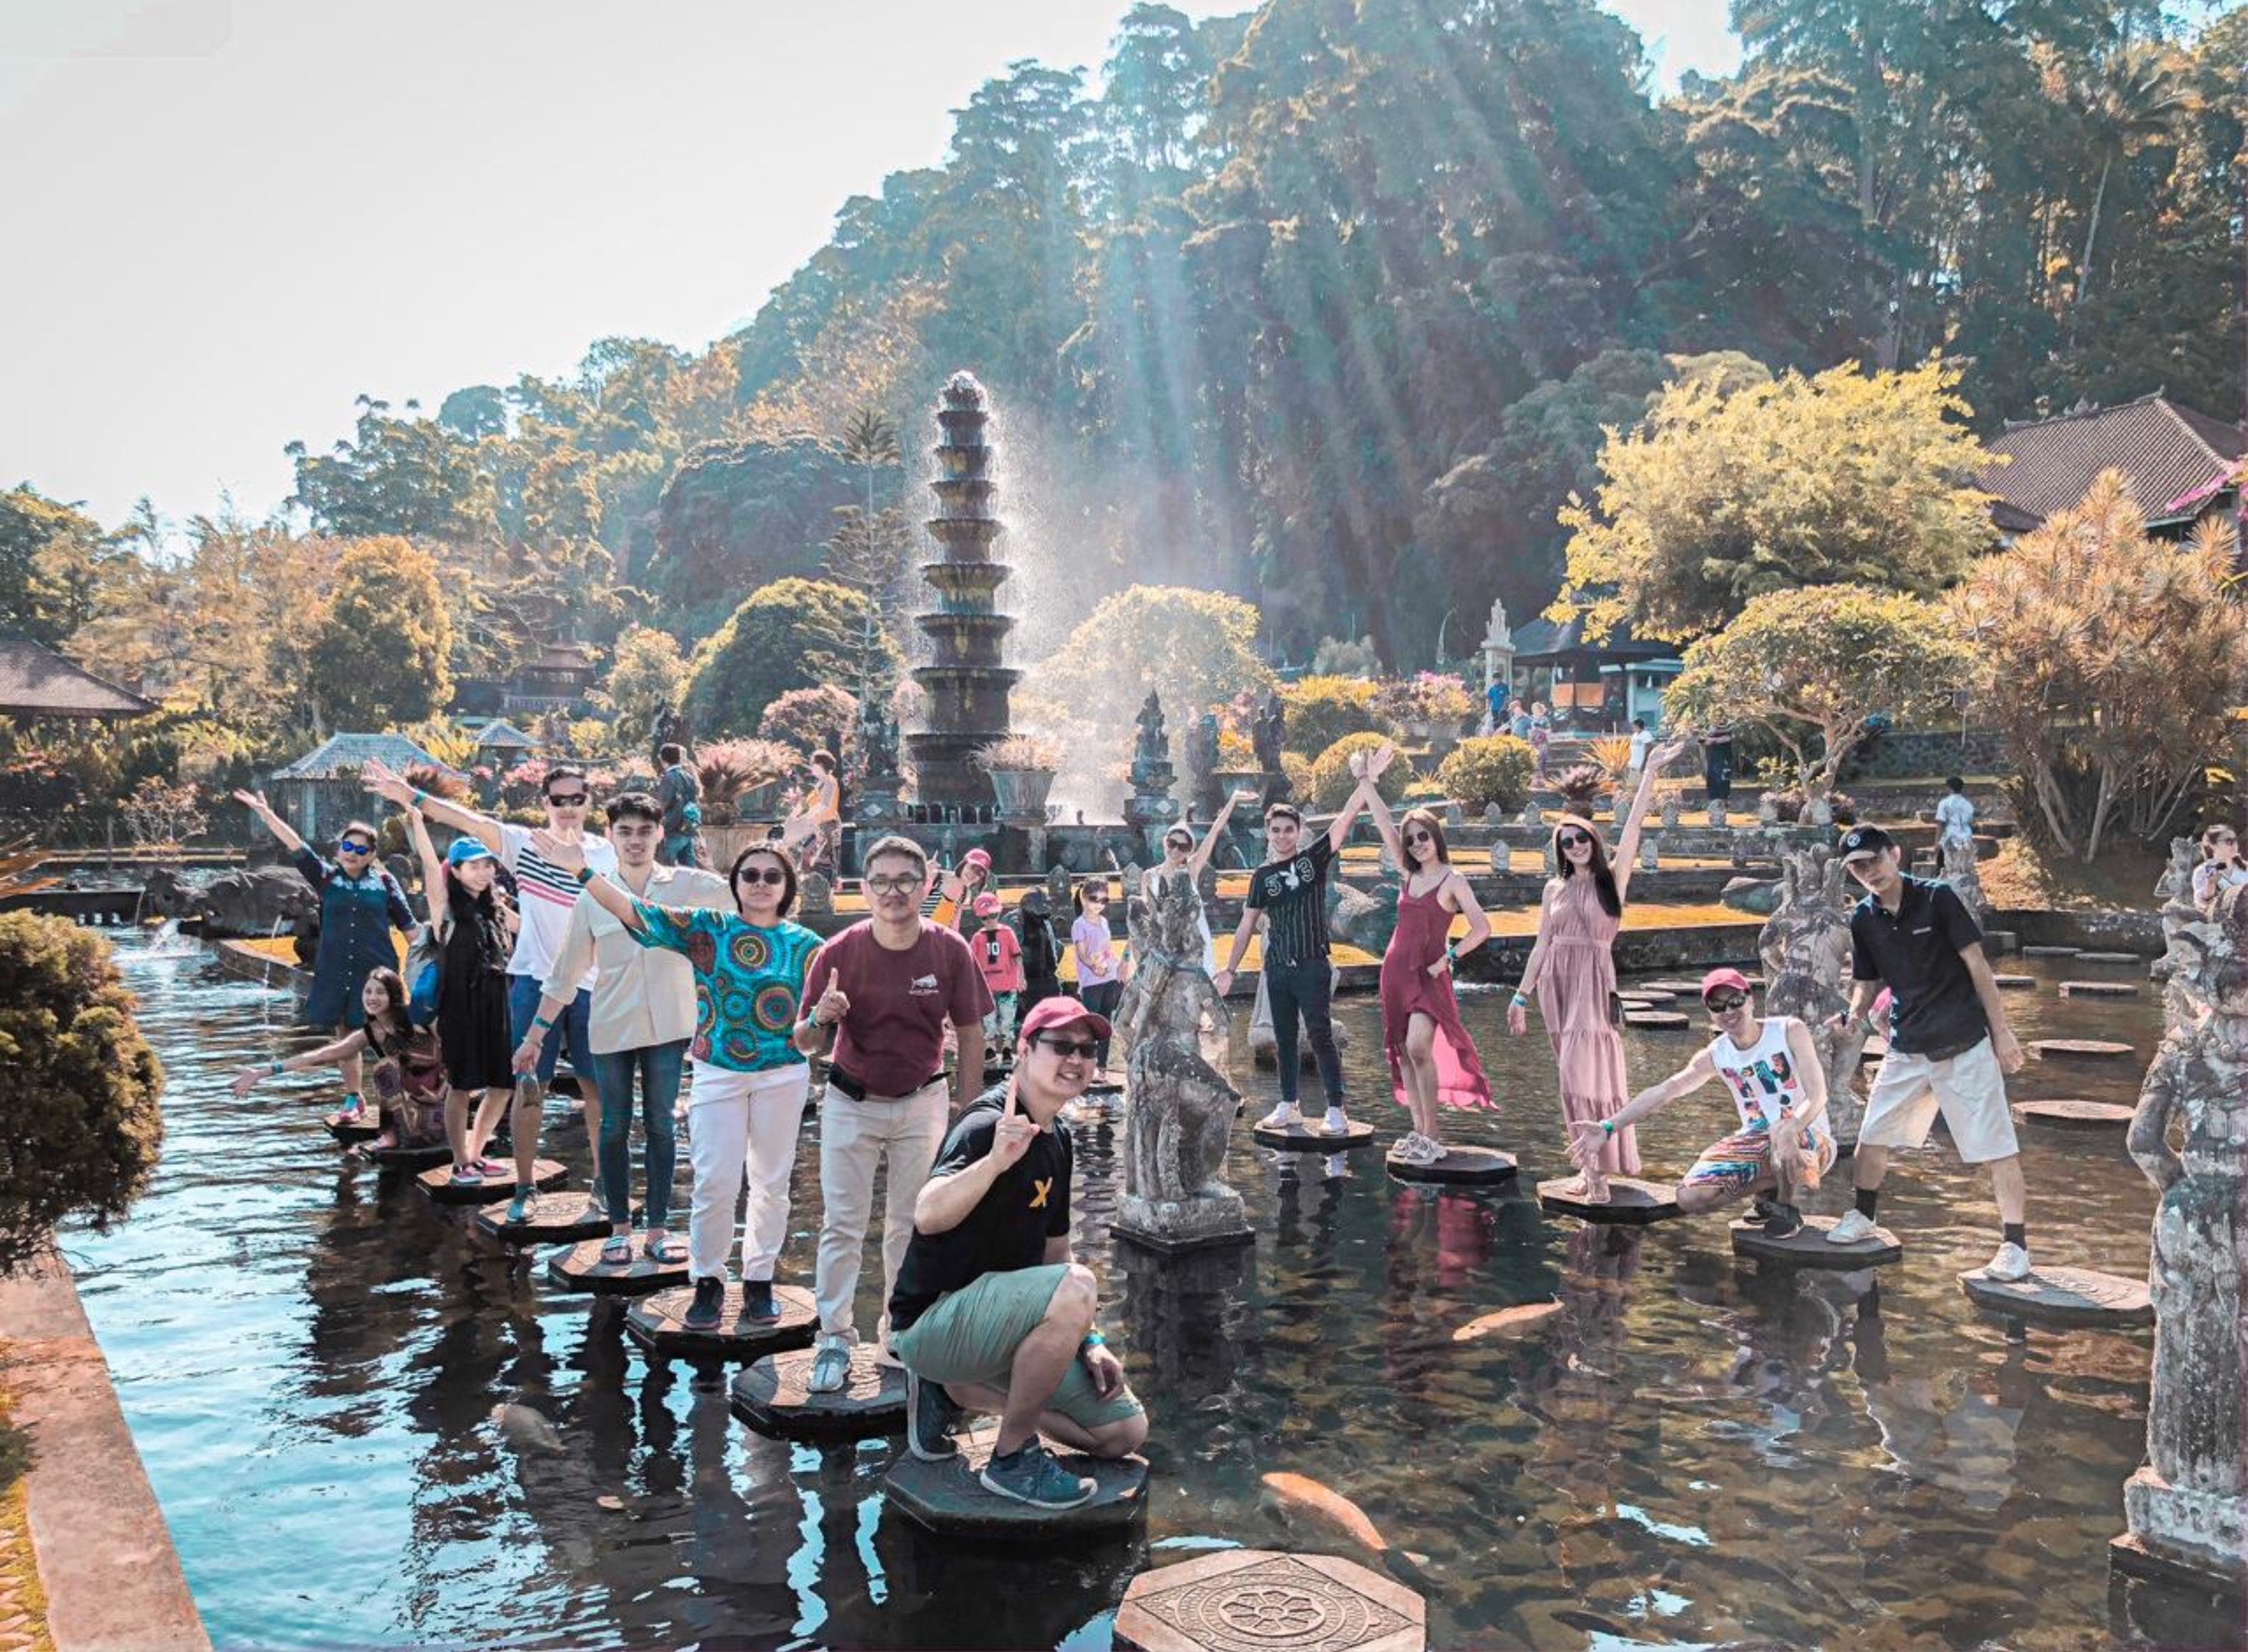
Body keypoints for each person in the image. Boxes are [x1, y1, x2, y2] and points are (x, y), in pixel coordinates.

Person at [534, 829, 824, 1330]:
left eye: (771, 876)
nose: (759, 883)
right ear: (735, 883)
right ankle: (707, 1280)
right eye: (750, 874)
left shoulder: (809, 947)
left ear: (787, 886)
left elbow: (827, 1019)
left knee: (771, 1184)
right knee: (715, 1180)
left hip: (783, 1075)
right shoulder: (708, 928)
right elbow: (634, 911)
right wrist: (580, 870)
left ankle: (758, 1280)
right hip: (717, 1074)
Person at [887, 996, 1146, 1509]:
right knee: (1080, 1284)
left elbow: (1056, 1252)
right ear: (1025, 1049)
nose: (1076, 1059)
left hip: (1000, 1326)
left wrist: (1089, 1338)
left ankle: (955, 1390)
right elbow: (927, 1212)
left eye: (1087, 1049)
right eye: (1061, 1046)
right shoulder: (987, 1125)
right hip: (932, 1322)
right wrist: (995, 1164)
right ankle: (1012, 1458)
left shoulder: (1060, 1138)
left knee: (1124, 1432)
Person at [363, 757, 617, 1196]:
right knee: (527, 1084)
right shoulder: (523, 844)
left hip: (590, 984)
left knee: (596, 1086)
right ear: (545, 803)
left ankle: (602, 1182)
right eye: (560, 800)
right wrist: (412, 799)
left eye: (577, 799)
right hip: (533, 983)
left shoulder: (604, 853)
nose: (569, 807)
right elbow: (466, 818)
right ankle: (523, 1185)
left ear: (589, 801)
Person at [794, 835, 994, 1391]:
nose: (893, 891)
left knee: (911, 1224)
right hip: (850, 1099)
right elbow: (803, 1042)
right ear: (864, 888)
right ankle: (834, 1336)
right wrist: (822, 1018)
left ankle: (897, 1330)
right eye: (880, 881)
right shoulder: (839, 952)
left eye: (905, 879)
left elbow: (973, 1034)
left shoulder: (950, 948)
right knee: (843, 1222)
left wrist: (971, 1111)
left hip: (923, 1100)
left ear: (926, 885)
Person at [512, 793, 728, 1247]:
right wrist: (534, 1036)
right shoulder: (592, 896)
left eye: (645, 831)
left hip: (670, 1029)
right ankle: (618, 1228)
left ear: (660, 835)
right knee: (613, 1125)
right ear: (609, 836)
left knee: (661, 1125)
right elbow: (564, 975)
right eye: (625, 832)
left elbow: (748, 895)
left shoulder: (690, 886)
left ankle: (656, 1229)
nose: (635, 841)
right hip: (610, 1027)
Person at [1824, 826, 2033, 1280]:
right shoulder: (1862, 918)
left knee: (1998, 1146)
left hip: (1965, 1042)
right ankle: (1864, 1215)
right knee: (1872, 1135)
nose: (1870, 873)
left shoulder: (1938, 898)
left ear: (1894, 854)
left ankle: (2015, 1245)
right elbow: (1867, 983)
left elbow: (1978, 966)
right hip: (1907, 1046)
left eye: (1874, 861)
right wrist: (1854, 1016)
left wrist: (2002, 1034)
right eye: (1858, 868)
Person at [1508, 737, 1687, 1201]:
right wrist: (1520, 996)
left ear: (1593, 841)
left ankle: (1598, 1175)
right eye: (1566, 842)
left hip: (1593, 983)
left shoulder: (1613, 882)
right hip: (1555, 987)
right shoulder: (1554, 890)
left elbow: (1632, 832)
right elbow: (1541, 945)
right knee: (1571, 1082)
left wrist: (1648, 773)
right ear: (1560, 850)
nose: (1574, 846)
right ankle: (1591, 1172)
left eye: (1581, 838)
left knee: (1586, 1078)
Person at [1213, 742, 1396, 1136]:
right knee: (1282, 1038)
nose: (1282, 836)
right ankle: (1288, 1104)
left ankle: (1336, 1108)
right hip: (1277, 968)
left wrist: (1365, 780)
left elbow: (1346, 820)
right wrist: (1229, 968)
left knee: (1320, 1034)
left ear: (1298, 832)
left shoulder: (1312, 861)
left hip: (1312, 963)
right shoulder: (1261, 877)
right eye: (1276, 830)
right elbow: (1246, 925)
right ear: (1268, 834)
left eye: (1288, 830)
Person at [1567, 969, 1833, 1235]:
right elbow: (1666, 1090)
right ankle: (1767, 1190)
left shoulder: (1789, 1030)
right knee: (1690, 1198)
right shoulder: (1717, 1054)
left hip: (1810, 1139)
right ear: (1710, 1012)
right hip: (1756, 1139)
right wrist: (1608, 1127)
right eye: (1717, 1005)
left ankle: (1786, 1208)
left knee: (1781, 1130)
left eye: (1735, 1001)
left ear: (1751, 1000)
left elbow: (1818, 1095)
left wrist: (1792, 1126)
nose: (1728, 1010)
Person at [232, 790, 416, 1122]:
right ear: (339, 849)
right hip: (336, 968)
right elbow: (296, 845)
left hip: (377, 972)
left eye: (361, 849)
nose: (353, 853)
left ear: (372, 855)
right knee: (345, 1034)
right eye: (348, 846)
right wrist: (266, 814)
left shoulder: (386, 883)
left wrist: (438, 949)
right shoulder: (326, 878)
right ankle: (354, 1097)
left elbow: (410, 929)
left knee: (390, 1035)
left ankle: (406, 1096)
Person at [1362, 793, 1494, 1164]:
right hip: (1394, 973)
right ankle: (1418, 1130)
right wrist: (1367, 783)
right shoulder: (1408, 875)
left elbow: (1482, 928)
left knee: (1419, 1046)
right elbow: (1385, 825)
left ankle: (1433, 1137)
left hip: (1429, 975)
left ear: (1436, 837)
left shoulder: (1453, 881)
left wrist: (1447, 958)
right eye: (1411, 839)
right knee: (1403, 1050)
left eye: (1423, 836)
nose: (1417, 844)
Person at [403, 807, 519, 1185]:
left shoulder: (497, 908)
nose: (483, 872)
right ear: (455, 871)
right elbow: (425, 860)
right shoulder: (447, 910)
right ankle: (459, 1162)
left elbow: (536, 924)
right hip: (461, 1007)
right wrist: (418, 821)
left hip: (498, 1003)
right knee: (463, 1084)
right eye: (473, 866)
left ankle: (477, 1152)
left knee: (504, 1084)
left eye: (487, 865)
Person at [231, 966, 446, 1154]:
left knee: (385, 1069)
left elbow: (453, 1054)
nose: (372, 997)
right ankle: (390, 1135)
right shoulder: (369, 1033)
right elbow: (320, 1056)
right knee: (385, 1070)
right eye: (368, 991)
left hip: (438, 1110)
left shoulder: (418, 1019)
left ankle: (395, 1136)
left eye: (380, 992)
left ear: (393, 996)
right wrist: (261, 1073)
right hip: (409, 1116)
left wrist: (441, 1093)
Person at [1146, 790, 1250, 976]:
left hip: (1192, 944)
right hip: (1162, 946)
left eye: (1183, 846)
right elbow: (1143, 917)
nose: (1176, 850)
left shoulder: (1191, 870)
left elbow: (1215, 830)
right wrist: (1128, 956)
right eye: (1172, 843)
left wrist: (1233, 799)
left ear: (1189, 851)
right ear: (1165, 842)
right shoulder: (1149, 876)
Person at [1069, 878, 1125, 1083]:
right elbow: (1083, 954)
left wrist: (1119, 965)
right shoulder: (1079, 925)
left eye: (1104, 900)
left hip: (1109, 978)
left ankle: (1101, 1068)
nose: (1099, 904)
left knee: (1105, 1025)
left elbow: (1107, 950)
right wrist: (1094, 967)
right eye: (1094, 899)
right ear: (1084, 899)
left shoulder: (1104, 922)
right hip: (1091, 982)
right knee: (1091, 1026)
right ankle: (1087, 1065)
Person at [972, 893, 1024, 1046]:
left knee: (1008, 1018)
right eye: (984, 918)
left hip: (1007, 983)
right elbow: (971, 962)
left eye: (993, 916)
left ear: (999, 913)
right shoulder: (978, 937)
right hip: (986, 986)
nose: (989, 921)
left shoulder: (1007, 933)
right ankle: (990, 1048)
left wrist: (1021, 978)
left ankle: (1007, 1047)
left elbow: (1017, 956)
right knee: (989, 1020)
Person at [654, 743, 706, 870]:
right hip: (688, 827)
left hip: (673, 828)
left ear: (662, 758)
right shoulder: (689, 776)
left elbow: (662, 805)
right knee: (689, 870)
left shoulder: (669, 777)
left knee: (667, 870)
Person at [1017, 888, 1063, 1019]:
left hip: (1047, 979)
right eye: (1043, 904)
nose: (1047, 907)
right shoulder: (1017, 920)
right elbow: (1013, 951)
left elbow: (1056, 948)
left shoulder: (1045, 922)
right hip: (1027, 981)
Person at [2191, 823, 2248, 910]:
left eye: (2235, 840)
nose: (2234, 845)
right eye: (2229, 841)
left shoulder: (2245, 866)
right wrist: (2211, 883)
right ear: (2213, 845)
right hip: (2224, 920)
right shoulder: (2202, 872)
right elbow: (2202, 906)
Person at [1935, 778, 1975, 848]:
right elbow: (1971, 824)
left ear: (1948, 788)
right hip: (1966, 840)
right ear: (1962, 789)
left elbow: (1940, 824)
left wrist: (1937, 842)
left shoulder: (1944, 803)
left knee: (1949, 859)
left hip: (1951, 838)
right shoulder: (1968, 804)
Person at [1702, 723, 1734, 805]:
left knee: (1723, 781)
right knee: (1711, 781)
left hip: (1723, 761)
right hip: (1711, 762)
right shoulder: (1708, 734)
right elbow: (1704, 741)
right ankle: (1713, 802)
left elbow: (1727, 739)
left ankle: (1724, 802)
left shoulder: (1728, 732)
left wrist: (1714, 740)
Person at [1625, 718, 1655, 789]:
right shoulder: (1634, 735)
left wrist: (1644, 764)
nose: (1632, 727)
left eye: (1633, 725)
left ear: (1638, 725)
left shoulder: (1646, 734)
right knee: (1631, 788)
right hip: (1633, 765)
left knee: (1641, 788)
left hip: (1641, 766)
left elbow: (1649, 750)